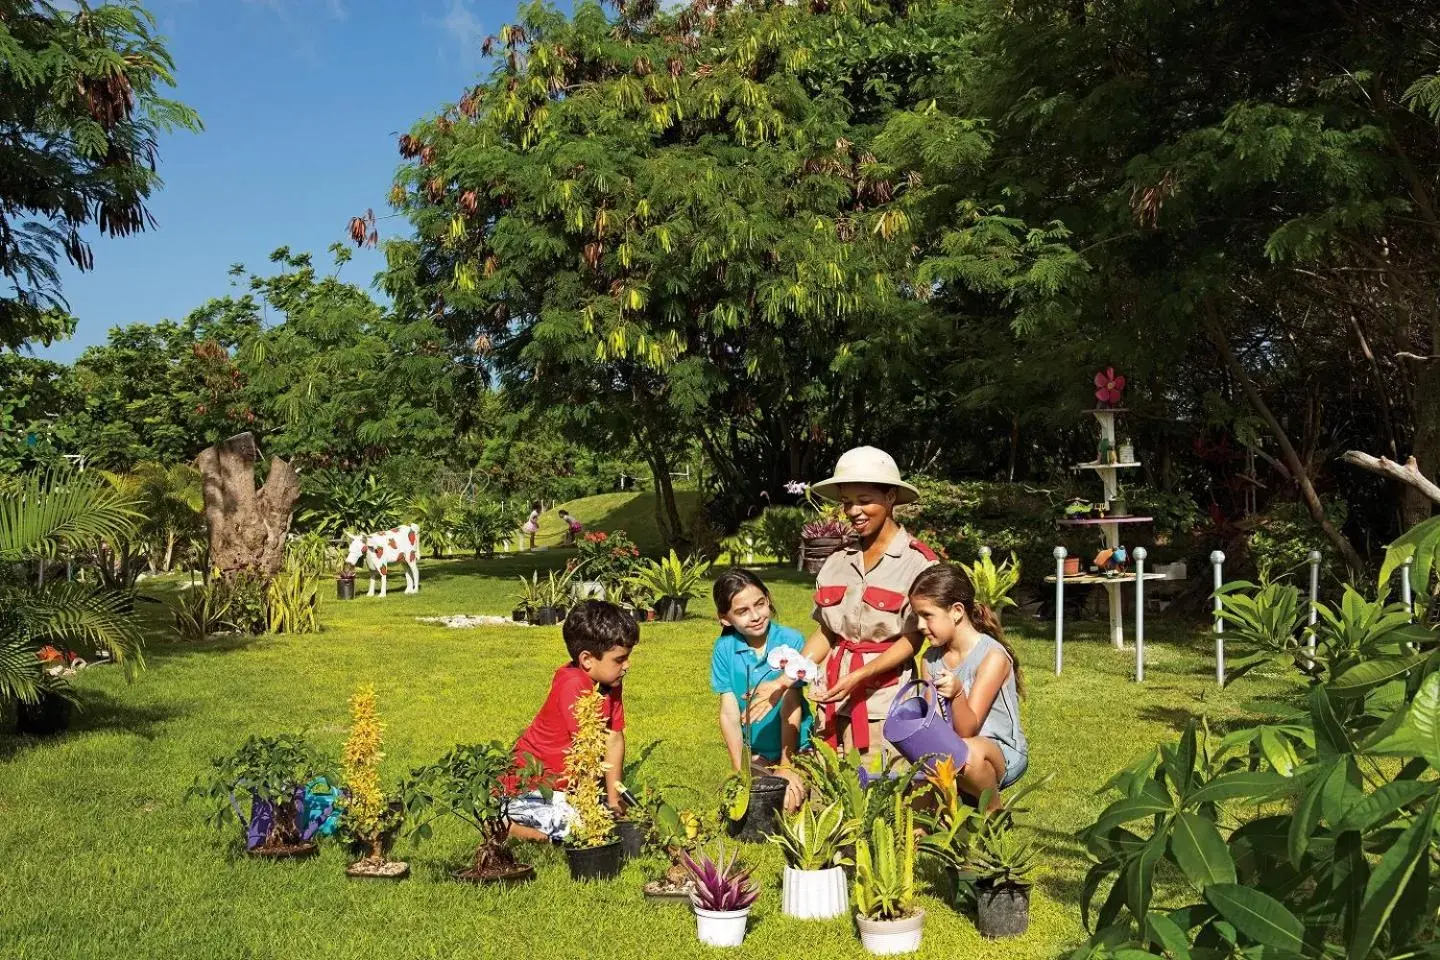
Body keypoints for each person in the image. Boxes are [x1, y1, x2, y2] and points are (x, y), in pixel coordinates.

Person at [744, 446, 938, 759]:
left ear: (890, 498)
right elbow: (827, 633)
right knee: (830, 797)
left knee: (881, 796)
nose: (853, 511)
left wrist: (859, 677)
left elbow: (914, 639)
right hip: (832, 698)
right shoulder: (836, 562)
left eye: (864, 501)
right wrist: (784, 679)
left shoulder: (918, 564)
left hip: (884, 704)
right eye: (847, 502)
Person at [509, 600, 638, 841]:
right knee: (581, 831)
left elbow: (613, 738)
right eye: (619, 659)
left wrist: (613, 800)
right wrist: (589, 811)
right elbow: (586, 750)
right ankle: (512, 828)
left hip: (566, 789)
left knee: (610, 823)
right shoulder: (573, 684)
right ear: (587, 659)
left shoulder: (609, 683)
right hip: (532, 787)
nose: (627, 665)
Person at [909, 563, 1028, 803]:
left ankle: (993, 816)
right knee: (917, 789)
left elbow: (967, 730)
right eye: (916, 616)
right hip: (955, 747)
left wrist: (957, 695)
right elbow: (934, 724)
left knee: (967, 752)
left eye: (927, 615)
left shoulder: (992, 656)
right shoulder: (930, 659)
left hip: (1000, 752)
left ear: (956, 611)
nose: (920, 625)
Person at [709, 569, 811, 811]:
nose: (755, 616)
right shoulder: (724, 649)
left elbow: (791, 704)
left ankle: (797, 773)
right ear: (725, 618)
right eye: (742, 611)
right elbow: (729, 714)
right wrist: (739, 770)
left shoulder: (792, 640)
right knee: (754, 800)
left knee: (788, 802)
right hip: (757, 752)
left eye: (759, 604)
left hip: (796, 748)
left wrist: (787, 766)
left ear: (768, 598)